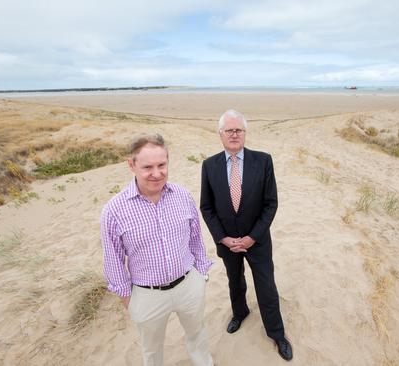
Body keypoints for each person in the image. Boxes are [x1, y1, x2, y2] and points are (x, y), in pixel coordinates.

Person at [100, 134, 214, 366]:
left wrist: (201, 274)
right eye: (147, 167)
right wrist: (128, 300)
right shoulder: (114, 210)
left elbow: (195, 238)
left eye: (161, 165)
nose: (156, 173)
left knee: (197, 334)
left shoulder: (182, 196)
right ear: (131, 165)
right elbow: (113, 259)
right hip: (146, 294)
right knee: (151, 350)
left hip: (188, 285)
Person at [199, 109, 293, 361]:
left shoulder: (263, 161)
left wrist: (252, 237)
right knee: (234, 281)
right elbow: (206, 207)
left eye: (238, 130)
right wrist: (222, 238)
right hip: (228, 243)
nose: (234, 134)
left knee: (267, 287)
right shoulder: (209, 166)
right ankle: (239, 313)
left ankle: (277, 333)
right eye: (229, 130)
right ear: (220, 134)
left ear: (245, 133)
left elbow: (270, 204)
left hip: (258, 241)